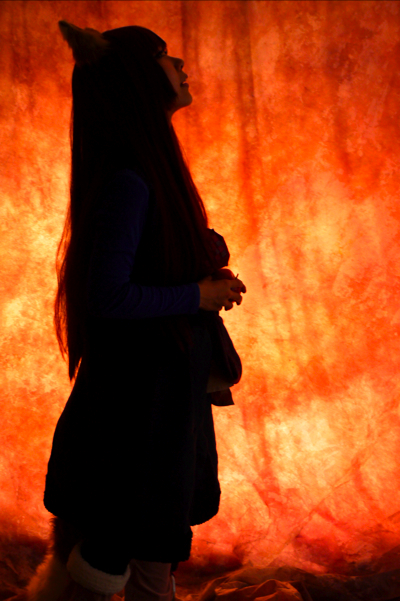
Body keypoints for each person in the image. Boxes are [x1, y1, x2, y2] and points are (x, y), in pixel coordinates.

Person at [27, 20, 246, 601]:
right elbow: (108, 295)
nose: (181, 64)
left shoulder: (147, 174)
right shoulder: (130, 181)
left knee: (153, 535)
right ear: (136, 81)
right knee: (129, 531)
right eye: (164, 57)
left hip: (161, 397)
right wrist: (197, 295)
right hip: (138, 406)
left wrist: (202, 276)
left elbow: (152, 264)